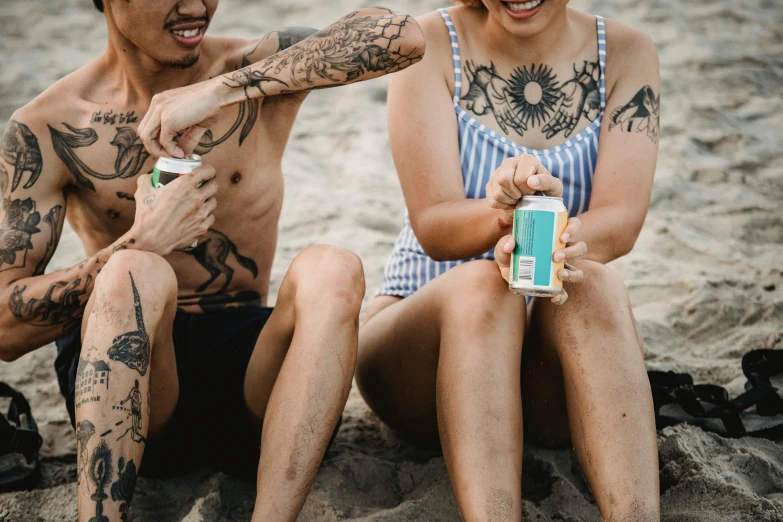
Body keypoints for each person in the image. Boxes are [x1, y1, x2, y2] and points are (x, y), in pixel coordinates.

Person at [0, 0, 424, 520]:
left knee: (332, 267)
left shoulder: (252, 70)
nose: (196, 6)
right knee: (136, 271)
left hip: (252, 377)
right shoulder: (48, 127)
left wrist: (220, 89)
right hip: (129, 373)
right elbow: (4, 329)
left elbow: (402, 35)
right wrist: (142, 241)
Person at [354, 1, 661, 521]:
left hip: (543, 367)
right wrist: (502, 215)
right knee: (484, 284)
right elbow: (433, 225)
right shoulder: (428, 43)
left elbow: (623, 219)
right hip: (419, 359)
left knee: (593, 282)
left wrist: (551, 240)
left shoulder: (629, 53)